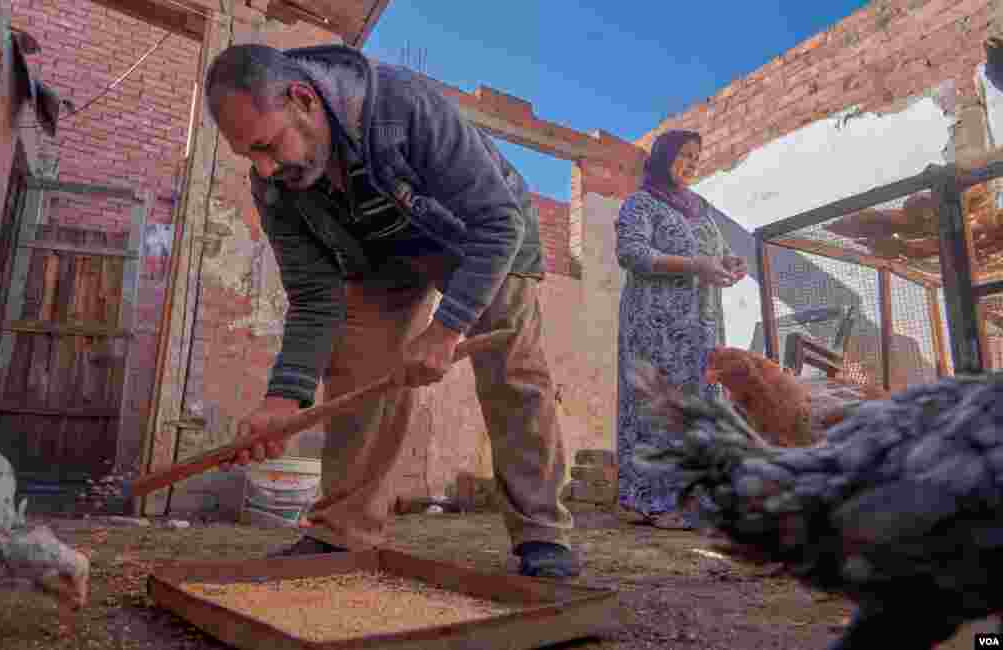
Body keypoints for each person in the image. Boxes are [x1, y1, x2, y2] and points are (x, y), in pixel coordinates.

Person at [203, 43, 578, 578]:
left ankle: (543, 535)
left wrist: (446, 328)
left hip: (483, 237)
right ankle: (343, 536)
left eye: (268, 145)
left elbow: (498, 220)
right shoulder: (274, 186)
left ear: (303, 99)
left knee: (513, 374)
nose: (264, 167)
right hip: (383, 259)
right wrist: (284, 397)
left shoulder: (403, 105)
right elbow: (314, 295)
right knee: (358, 369)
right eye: (250, 156)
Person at [614, 129, 747, 530]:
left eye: (696, 157)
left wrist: (731, 264)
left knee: (700, 405)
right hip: (655, 324)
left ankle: (690, 501)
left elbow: (718, 253)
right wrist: (696, 266)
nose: (690, 164)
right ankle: (653, 500)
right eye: (684, 155)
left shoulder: (700, 209)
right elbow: (632, 253)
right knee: (657, 404)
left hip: (701, 322)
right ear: (663, 157)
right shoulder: (641, 203)